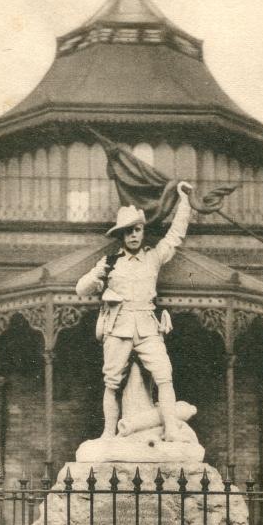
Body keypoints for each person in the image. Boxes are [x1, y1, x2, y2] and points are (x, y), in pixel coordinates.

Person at [75, 180, 192, 441]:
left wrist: (184, 202)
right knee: (112, 382)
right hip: (118, 327)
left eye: (137, 230)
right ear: (121, 235)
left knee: (164, 375)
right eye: (128, 232)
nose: (134, 236)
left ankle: (171, 429)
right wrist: (98, 278)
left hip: (148, 326)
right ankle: (108, 433)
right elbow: (81, 289)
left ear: (142, 231)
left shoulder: (153, 257)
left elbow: (175, 237)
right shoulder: (109, 262)